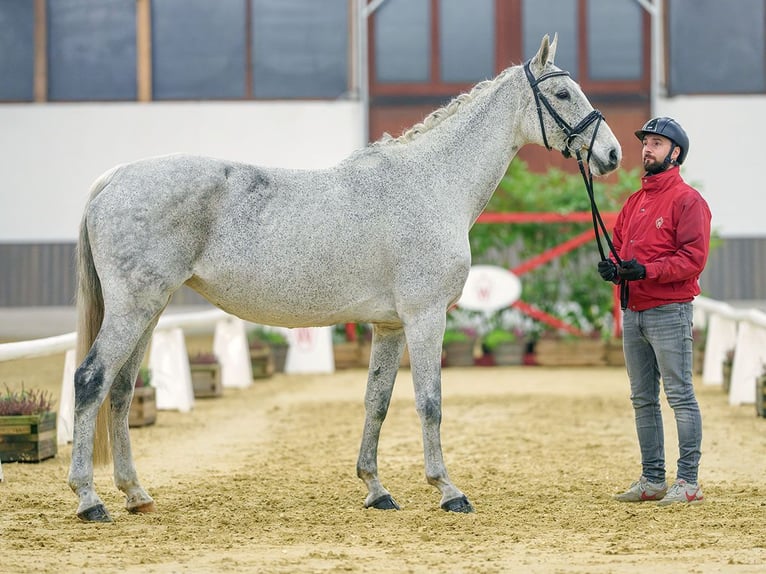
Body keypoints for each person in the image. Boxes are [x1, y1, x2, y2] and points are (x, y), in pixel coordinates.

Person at [597, 117, 711, 505]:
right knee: (642, 398)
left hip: (669, 311)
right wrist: (614, 268)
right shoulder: (634, 201)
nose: (647, 148)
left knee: (679, 395)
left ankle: (689, 481)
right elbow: (620, 247)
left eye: (657, 143)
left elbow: (692, 260)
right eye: (646, 142)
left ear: (675, 153)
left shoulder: (688, 200)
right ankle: (652, 478)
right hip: (634, 311)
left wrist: (647, 271)